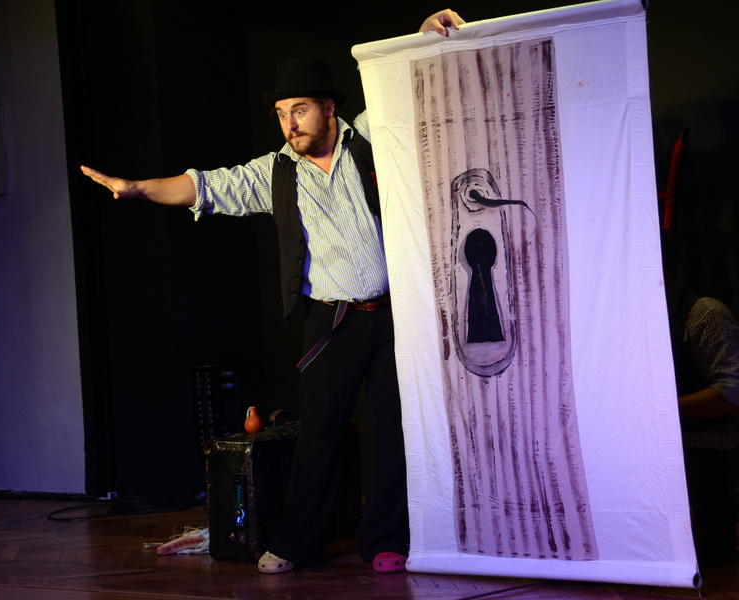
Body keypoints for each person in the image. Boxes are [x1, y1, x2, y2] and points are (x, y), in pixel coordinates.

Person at [81, 9, 466, 574]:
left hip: (393, 315)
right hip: (331, 319)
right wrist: (137, 188)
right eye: (282, 114)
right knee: (320, 435)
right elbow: (206, 186)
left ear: (328, 108)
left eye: (299, 110)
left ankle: (387, 540)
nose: (290, 124)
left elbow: (407, 84)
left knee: (394, 432)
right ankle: (297, 542)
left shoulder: (369, 139)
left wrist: (425, 33)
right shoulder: (276, 171)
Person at [663, 234, 739, 568]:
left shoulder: (704, 312)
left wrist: (662, 409)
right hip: (655, 454)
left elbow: (732, 391)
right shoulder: (635, 315)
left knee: (693, 557)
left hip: (700, 454)